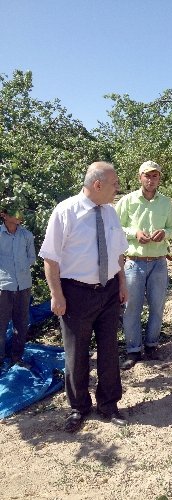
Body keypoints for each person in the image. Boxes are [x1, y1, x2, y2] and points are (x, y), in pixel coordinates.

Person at [39, 161, 128, 433]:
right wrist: (57, 295)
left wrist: (122, 283)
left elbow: (118, 253)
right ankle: (79, 407)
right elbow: (50, 258)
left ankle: (108, 404)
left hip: (110, 291)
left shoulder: (111, 213)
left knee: (109, 350)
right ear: (98, 184)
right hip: (76, 294)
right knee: (76, 354)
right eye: (114, 184)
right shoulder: (66, 211)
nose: (118, 189)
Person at [115, 160, 172, 370]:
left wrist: (164, 234)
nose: (151, 180)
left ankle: (151, 345)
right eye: (147, 176)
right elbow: (115, 227)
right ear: (140, 177)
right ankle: (133, 350)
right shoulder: (127, 201)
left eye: (155, 176)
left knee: (157, 306)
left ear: (159, 178)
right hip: (134, 263)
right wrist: (135, 234)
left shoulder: (166, 203)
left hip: (158, 262)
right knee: (132, 308)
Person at [0, 208, 36, 368]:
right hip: (3, 287)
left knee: (21, 324)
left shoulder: (26, 235)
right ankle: (0, 360)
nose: (19, 216)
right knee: (0, 325)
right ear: (4, 215)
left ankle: (17, 358)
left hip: (24, 285)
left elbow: (32, 257)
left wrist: (20, 269)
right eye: (15, 212)